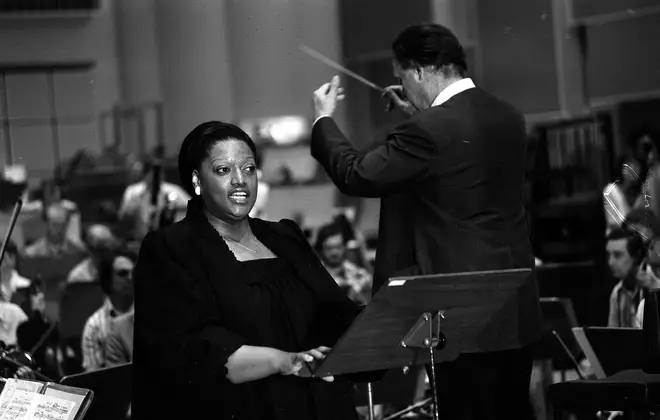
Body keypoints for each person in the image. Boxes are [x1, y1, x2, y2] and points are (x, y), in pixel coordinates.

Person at [309, 23, 541, 420]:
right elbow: (456, 170)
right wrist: (422, 114)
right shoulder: (508, 117)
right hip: (514, 306)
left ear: (418, 71)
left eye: (401, 76)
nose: (403, 86)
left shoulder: (427, 131)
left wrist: (323, 122)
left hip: (461, 311)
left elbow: (358, 174)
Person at [132, 121, 368, 420]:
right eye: (223, 170)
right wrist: (282, 361)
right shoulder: (171, 248)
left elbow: (335, 312)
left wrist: (385, 317)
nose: (240, 180)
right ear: (196, 180)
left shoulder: (285, 236)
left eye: (248, 168)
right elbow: (194, 351)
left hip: (318, 406)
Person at [81, 249, 135, 371]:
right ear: (108, 281)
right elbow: (93, 375)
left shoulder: (150, 313)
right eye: (123, 274)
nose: (131, 278)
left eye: (134, 272)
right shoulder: (94, 326)